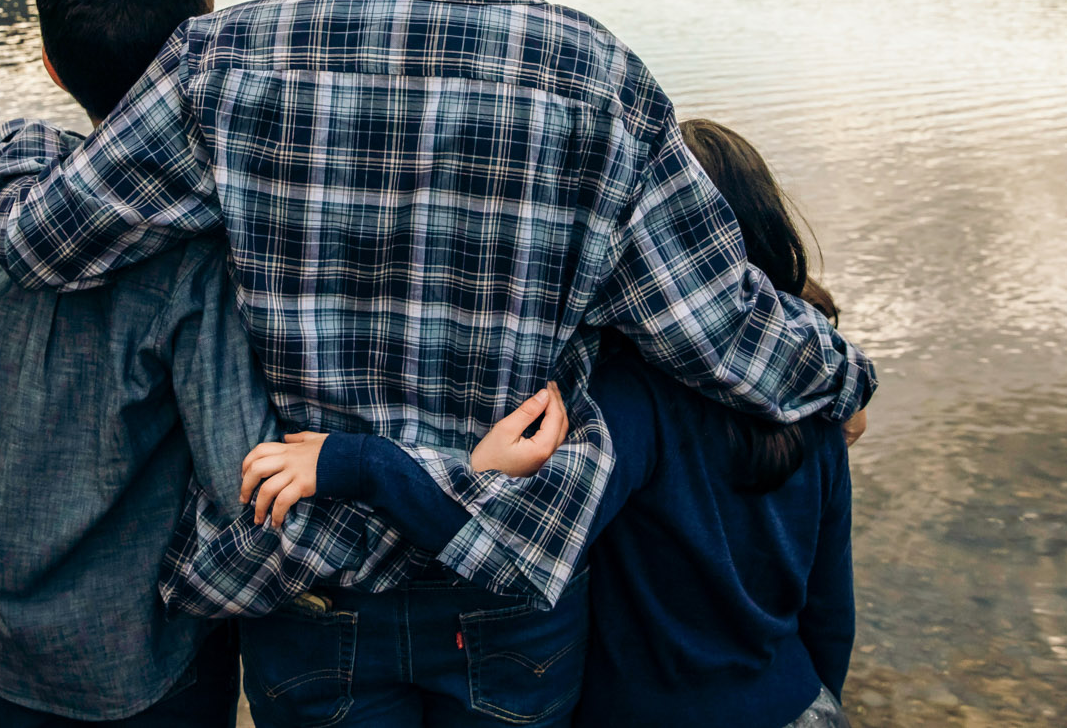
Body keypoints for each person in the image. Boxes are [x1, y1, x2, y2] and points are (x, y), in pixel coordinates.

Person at [0, 0, 875, 726]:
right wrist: (842, 377)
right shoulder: (597, 81)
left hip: (308, 593)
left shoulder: (214, 69)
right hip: (507, 599)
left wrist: (16, 152)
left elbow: (47, 244)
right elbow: (725, 328)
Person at [247, 118, 858, 728]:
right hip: (800, 704)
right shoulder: (816, 398)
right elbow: (832, 609)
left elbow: (518, 539)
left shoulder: (632, 403)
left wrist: (355, 462)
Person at [0, 0, 258, 728]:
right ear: (191, 59)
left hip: (9, 647)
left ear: (52, 64)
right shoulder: (190, 265)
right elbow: (242, 483)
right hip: (146, 664)